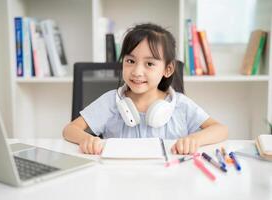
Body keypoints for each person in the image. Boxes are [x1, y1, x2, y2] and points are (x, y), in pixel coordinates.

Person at [63, 23, 228, 155]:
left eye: (149, 64)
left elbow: (221, 129)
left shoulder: (181, 106)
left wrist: (195, 140)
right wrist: (87, 140)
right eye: (130, 61)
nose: (136, 71)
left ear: (167, 70)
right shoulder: (111, 102)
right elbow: (70, 129)